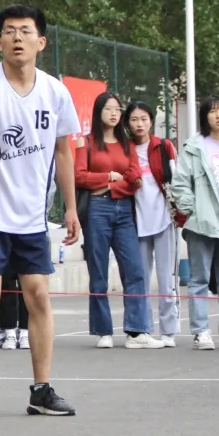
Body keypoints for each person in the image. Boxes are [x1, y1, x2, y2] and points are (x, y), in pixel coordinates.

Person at [0, 3, 81, 417]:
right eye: (9, 31)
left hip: (33, 217)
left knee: (39, 297)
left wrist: (71, 207)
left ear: (41, 42)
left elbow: (64, 151)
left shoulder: (55, 92)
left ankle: (41, 391)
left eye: (25, 31)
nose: (17, 38)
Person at [76, 92, 159, 348]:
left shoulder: (127, 144)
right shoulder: (86, 142)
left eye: (117, 109)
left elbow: (135, 178)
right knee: (98, 272)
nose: (114, 113)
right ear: (98, 111)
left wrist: (110, 185)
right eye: (108, 108)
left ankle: (136, 331)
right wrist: (109, 176)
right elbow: (79, 176)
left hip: (124, 210)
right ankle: (103, 331)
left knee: (135, 270)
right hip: (97, 210)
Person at [169, 95, 219, 351]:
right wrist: (192, 211)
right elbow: (180, 183)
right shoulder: (194, 146)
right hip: (202, 223)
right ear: (204, 117)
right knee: (199, 279)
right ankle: (201, 331)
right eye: (213, 111)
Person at [126, 100, 183, 346]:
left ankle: (168, 330)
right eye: (134, 119)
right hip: (136, 223)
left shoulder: (163, 146)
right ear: (128, 123)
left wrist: (180, 212)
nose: (139, 124)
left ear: (151, 121)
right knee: (140, 277)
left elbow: (177, 180)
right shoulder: (125, 149)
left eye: (144, 119)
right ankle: (144, 328)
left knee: (166, 277)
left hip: (164, 220)